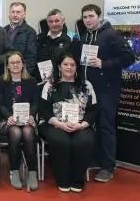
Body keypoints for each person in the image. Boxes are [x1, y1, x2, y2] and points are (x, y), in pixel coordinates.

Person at [80, 4, 134, 182]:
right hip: (88, 90)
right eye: (85, 17)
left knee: (105, 126)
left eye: (91, 16)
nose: (88, 20)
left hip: (107, 89)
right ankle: (96, 160)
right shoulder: (85, 36)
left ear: (99, 16)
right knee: (91, 125)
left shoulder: (112, 34)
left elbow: (128, 58)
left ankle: (108, 166)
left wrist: (105, 64)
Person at [39, 53, 98, 192]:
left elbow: (93, 110)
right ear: (59, 67)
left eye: (72, 65)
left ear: (76, 67)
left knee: (83, 142)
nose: (69, 67)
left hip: (81, 124)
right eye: (65, 64)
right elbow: (44, 110)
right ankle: (63, 180)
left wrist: (81, 125)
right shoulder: (50, 85)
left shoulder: (86, 85)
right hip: (55, 124)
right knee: (61, 141)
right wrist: (60, 124)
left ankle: (77, 180)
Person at [0, 51, 39, 190]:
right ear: (7, 66)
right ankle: (14, 171)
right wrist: (9, 116)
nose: (15, 65)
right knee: (15, 132)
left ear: (23, 64)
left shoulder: (31, 81)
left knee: (27, 132)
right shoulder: (1, 81)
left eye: (18, 62)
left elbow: (35, 103)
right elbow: (0, 104)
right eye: (12, 63)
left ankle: (32, 172)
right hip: (7, 120)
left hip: (28, 119)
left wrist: (32, 115)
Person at [35, 9, 81, 82]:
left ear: (63, 21)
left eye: (57, 21)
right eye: (50, 21)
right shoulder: (39, 38)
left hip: (64, 81)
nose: (54, 24)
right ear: (47, 23)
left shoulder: (72, 38)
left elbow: (75, 63)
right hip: (43, 81)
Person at [4, 2, 37, 74]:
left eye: (18, 12)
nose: (15, 15)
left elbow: (31, 57)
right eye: (13, 12)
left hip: (21, 74)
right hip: (5, 73)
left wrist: (25, 75)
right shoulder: (3, 30)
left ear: (24, 15)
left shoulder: (30, 32)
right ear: (9, 14)